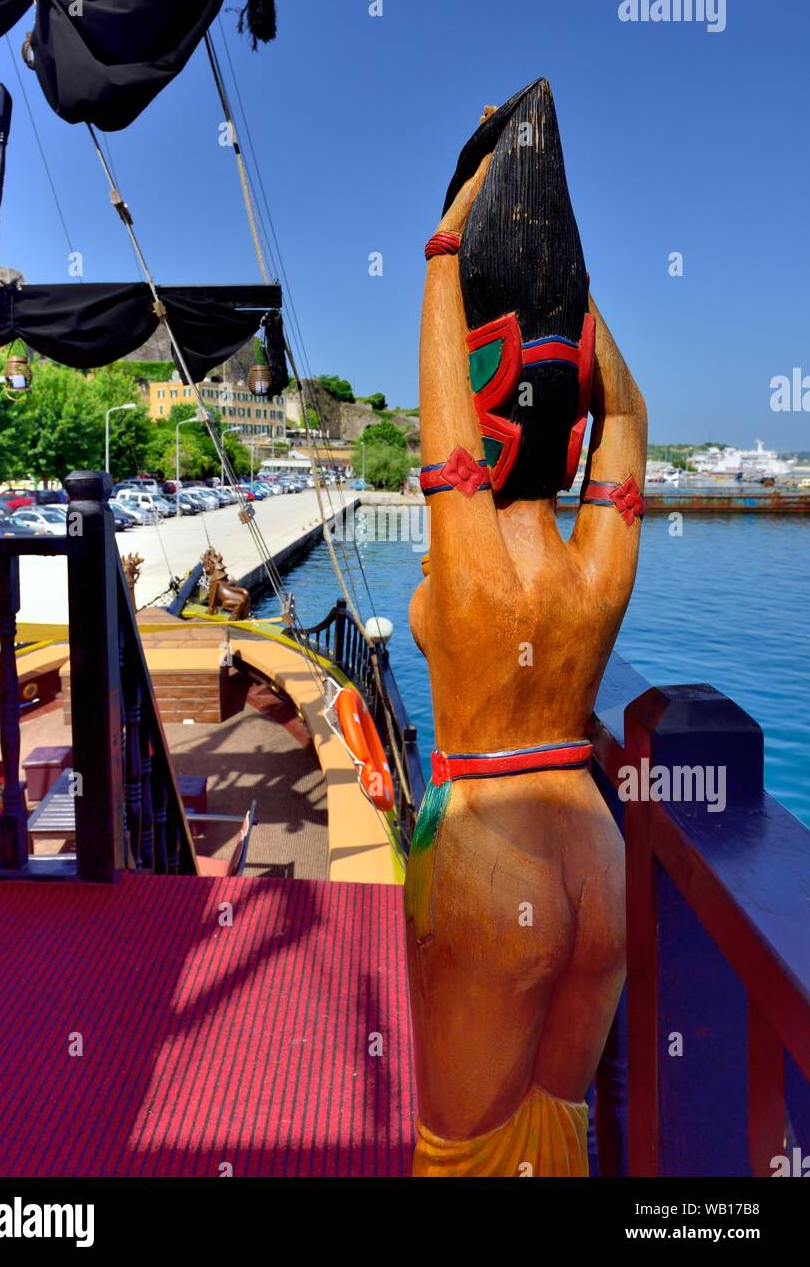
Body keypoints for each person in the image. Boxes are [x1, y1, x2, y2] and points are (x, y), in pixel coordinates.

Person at [406, 82, 646, 1176]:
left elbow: (449, 452)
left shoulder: (472, 554)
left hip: (490, 852)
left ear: (481, 384)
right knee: (560, 1141)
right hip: (597, 862)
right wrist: (578, 328)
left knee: (460, 1152)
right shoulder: (592, 565)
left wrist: (445, 252)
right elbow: (631, 421)